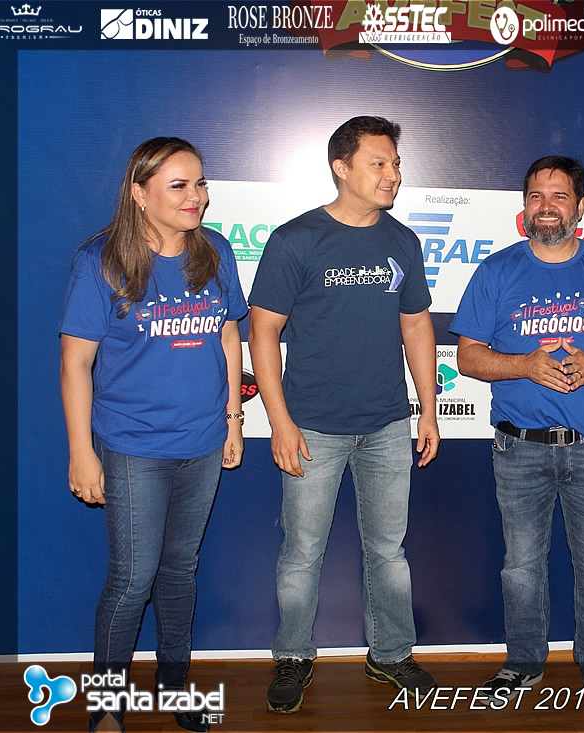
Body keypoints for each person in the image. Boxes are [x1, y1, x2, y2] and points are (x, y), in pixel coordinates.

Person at [451, 156, 584, 718]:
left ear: (580, 206)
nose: (547, 206)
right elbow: (468, 357)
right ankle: (523, 663)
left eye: (559, 196)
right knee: (520, 566)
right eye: (536, 196)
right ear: (525, 207)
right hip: (518, 448)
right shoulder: (496, 271)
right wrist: (524, 365)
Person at [248, 116, 439, 713]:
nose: (392, 175)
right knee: (302, 552)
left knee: (389, 550)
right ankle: (292, 655)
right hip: (312, 428)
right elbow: (263, 331)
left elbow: (416, 325)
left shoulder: (402, 242)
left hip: (387, 425)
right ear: (341, 167)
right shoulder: (296, 239)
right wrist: (280, 422)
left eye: (396, 164)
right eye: (379, 163)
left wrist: (428, 410)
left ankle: (391, 653)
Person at [60, 137, 247, 733]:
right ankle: (106, 705)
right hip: (133, 447)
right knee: (131, 580)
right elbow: (75, 364)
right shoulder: (99, 261)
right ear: (139, 194)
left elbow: (228, 336)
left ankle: (173, 687)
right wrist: (81, 452)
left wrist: (233, 419)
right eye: (179, 186)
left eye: (200, 183)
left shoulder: (215, 252)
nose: (197, 197)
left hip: (202, 444)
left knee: (179, 570)